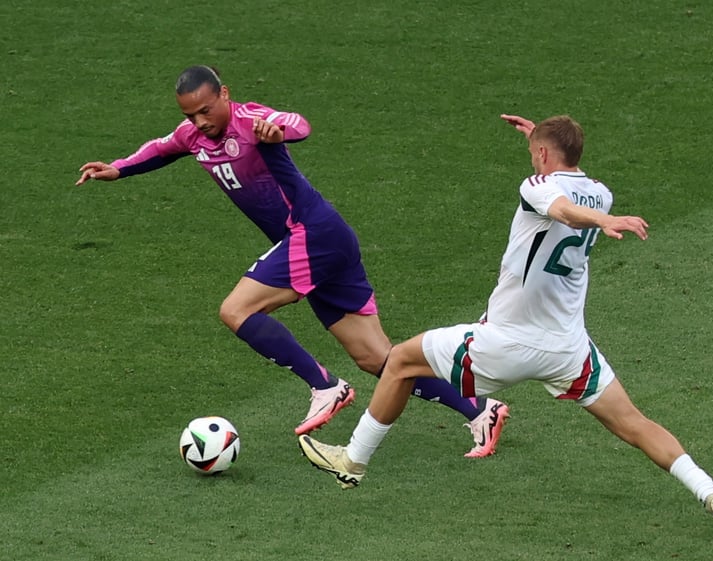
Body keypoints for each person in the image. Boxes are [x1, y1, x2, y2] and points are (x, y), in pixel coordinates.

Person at [299, 113, 713, 534]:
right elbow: (570, 192)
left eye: (534, 153)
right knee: (635, 424)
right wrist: (553, 157)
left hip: (507, 343)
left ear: (542, 157)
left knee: (399, 360)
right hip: (570, 349)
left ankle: (352, 461)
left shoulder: (539, 187)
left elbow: (560, 207)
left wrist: (600, 217)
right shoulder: (602, 191)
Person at [75, 65, 509, 457]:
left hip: (312, 234)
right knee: (378, 358)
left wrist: (276, 131)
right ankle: (480, 412)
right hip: (323, 242)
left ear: (225, 94)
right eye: (191, 115)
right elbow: (162, 148)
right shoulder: (194, 135)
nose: (200, 122)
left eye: (206, 110)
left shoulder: (252, 122)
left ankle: (326, 386)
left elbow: (298, 124)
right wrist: (118, 168)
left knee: (236, 309)